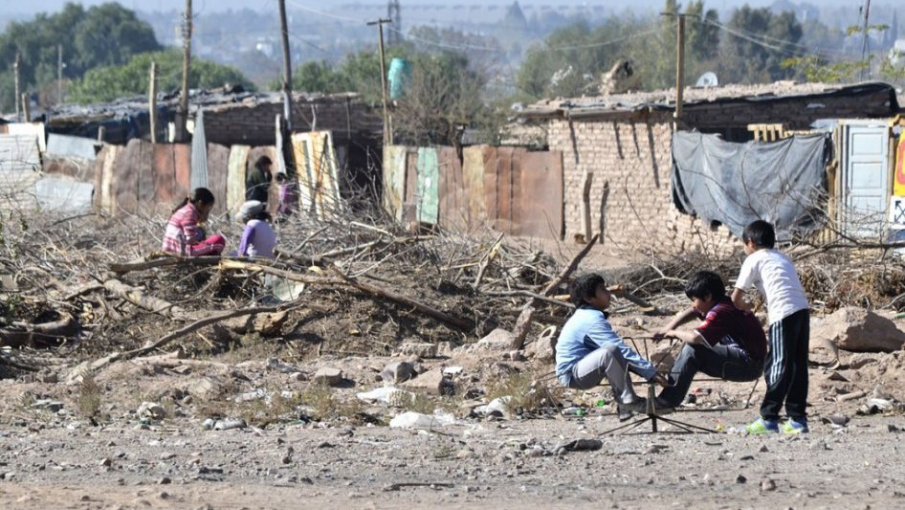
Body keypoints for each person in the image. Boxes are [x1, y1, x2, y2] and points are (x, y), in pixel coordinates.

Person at [731, 220, 810, 435]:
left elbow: (735, 298)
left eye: (744, 245)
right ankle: (797, 420)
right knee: (797, 366)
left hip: (783, 313)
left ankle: (768, 418)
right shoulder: (782, 257)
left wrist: (746, 308)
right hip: (802, 311)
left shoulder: (753, 259)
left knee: (777, 364)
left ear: (750, 242)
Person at [555, 273, 669, 420]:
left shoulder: (587, 315)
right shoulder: (590, 319)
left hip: (582, 369)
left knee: (613, 353)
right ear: (589, 298)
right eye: (602, 289)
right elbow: (617, 347)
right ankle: (628, 402)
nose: (608, 292)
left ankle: (625, 406)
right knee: (611, 351)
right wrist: (649, 372)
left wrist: (646, 371)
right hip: (572, 374)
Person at [655, 271, 766, 410]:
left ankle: (667, 401)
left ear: (707, 296)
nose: (693, 305)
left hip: (749, 366)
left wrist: (674, 332)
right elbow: (693, 311)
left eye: (694, 300)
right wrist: (668, 327)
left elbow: (695, 338)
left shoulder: (720, 312)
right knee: (693, 349)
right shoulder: (723, 303)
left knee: (692, 349)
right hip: (747, 362)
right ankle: (668, 397)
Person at [162, 187, 226, 257]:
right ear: (200, 204)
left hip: (173, 249)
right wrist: (199, 244)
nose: (208, 211)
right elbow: (190, 240)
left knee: (208, 245)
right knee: (219, 240)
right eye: (208, 208)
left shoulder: (186, 209)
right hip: (183, 252)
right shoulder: (190, 212)